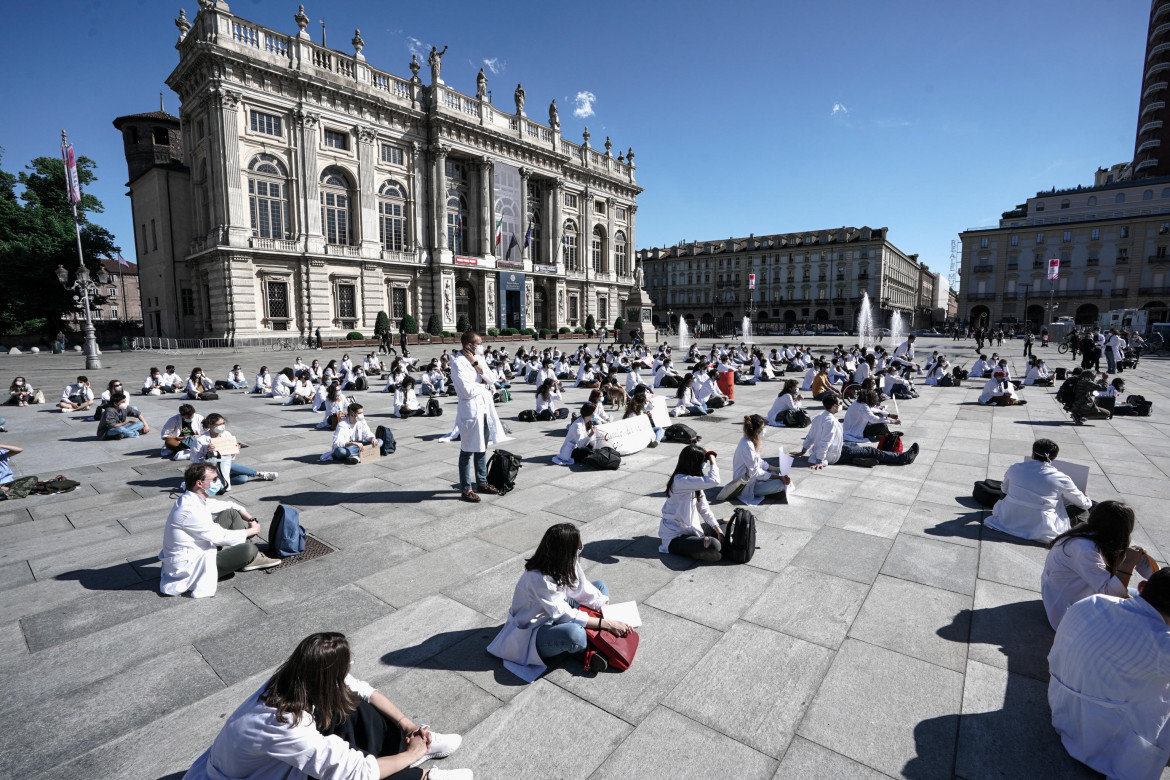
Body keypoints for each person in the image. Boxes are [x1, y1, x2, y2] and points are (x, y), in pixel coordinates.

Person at [184, 631, 470, 779]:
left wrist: (407, 726)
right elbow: (356, 774)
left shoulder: (299, 678)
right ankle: (419, 775)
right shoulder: (282, 723)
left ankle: (401, 747)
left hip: (282, 757)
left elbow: (364, 690)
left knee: (353, 705)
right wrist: (411, 756)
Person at [1047, 568, 1170, 780]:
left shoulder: (1093, 601)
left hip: (1064, 712)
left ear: (1142, 587)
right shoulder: (1162, 644)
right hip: (1105, 744)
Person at [487, 522, 629, 681]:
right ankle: (586, 651)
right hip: (534, 630)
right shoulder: (538, 578)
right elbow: (564, 615)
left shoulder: (565, 561)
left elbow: (582, 589)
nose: (580, 550)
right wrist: (607, 624)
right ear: (564, 552)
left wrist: (607, 611)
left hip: (557, 611)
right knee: (575, 634)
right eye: (578, 547)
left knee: (600, 587)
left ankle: (594, 642)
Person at [159, 463, 280, 599]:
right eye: (214, 480)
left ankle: (244, 559)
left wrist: (250, 518)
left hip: (198, 550)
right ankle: (248, 557)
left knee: (231, 513)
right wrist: (252, 530)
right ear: (199, 483)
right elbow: (220, 536)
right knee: (249, 549)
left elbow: (228, 505)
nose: (218, 482)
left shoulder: (192, 498)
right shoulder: (190, 510)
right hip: (192, 567)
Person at [1042, 500, 1157, 631]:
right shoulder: (1084, 549)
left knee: (1143, 597)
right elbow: (1111, 594)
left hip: (1073, 597)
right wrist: (1128, 563)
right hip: (1068, 615)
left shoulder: (1085, 534)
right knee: (1151, 613)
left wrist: (1125, 554)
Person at [985, 439, 1091, 542]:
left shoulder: (1014, 468)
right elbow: (1084, 504)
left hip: (1008, 517)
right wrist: (1087, 499)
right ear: (1054, 457)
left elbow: (1004, 489)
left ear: (1033, 453)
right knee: (1083, 512)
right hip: (1041, 527)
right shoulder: (1061, 478)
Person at [789, 395, 919, 470]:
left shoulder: (818, 417)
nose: (840, 406)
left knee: (854, 445)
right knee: (871, 450)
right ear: (833, 406)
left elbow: (810, 436)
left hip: (833, 449)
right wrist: (819, 461)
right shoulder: (830, 422)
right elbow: (825, 442)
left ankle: (857, 459)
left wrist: (803, 450)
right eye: (839, 404)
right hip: (833, 454)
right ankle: (903, 458)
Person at [450, 331, 501, 503]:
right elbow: (467, 391)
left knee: (482, 447)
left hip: (484, 409)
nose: (482, 345)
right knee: (467, 451)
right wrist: (483, 384)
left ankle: (482, 482)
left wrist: (477, 365)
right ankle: (466, 489)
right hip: (470, 410)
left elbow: (492, 379)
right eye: (479, 342)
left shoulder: (478, 358)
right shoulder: (457, 363)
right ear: (469, 345)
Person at [659, 444, 725, 561]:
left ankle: (701, 548)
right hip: (675, 537)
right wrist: (712, 458)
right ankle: (702, 548)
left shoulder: (694, 481)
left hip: (692, 530)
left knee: (727, 522)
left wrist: (718, 530)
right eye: (703, 461)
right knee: (713, 544)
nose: (704, 464)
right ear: (694, 463)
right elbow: (715, 480)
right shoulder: (680, 481)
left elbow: (704, 509)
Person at [189, 413, 278, 491]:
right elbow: (194, 460)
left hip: (225, 465)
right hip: (209, 468)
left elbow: (231, 457)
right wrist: (208, 454)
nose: (222, 426)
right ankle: (260, 474)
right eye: (219, 424)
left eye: (223, 423)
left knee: (243, 478)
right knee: (225, 462)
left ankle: (221, 481)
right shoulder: (201, 440)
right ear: (211, 425)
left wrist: (234, 450)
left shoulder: (226, 434)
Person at [729, 415, 793, 505]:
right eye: (762, 428)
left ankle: (771, 490)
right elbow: (755, 472)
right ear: (756, 430)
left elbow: (760, 462)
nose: (764, 430)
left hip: (754, 479)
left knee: (777, 475)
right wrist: (779, 478)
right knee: (781, 484)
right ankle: (768, 493)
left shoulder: (750, 441)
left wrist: (778, 469)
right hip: (746, 486)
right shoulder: (747, 445)